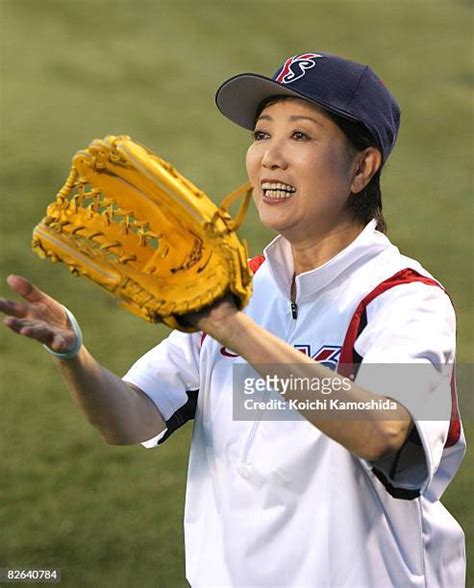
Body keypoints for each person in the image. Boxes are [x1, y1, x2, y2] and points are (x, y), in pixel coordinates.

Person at [0, 52, 466, 587]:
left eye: (301, 136)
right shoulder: (236, 285)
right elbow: (129, 418)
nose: (270, 157)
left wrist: (233, 328)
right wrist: (73, 354)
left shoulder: (408, 300)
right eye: (262, 134)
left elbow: (386, 430)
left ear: (361, 167)